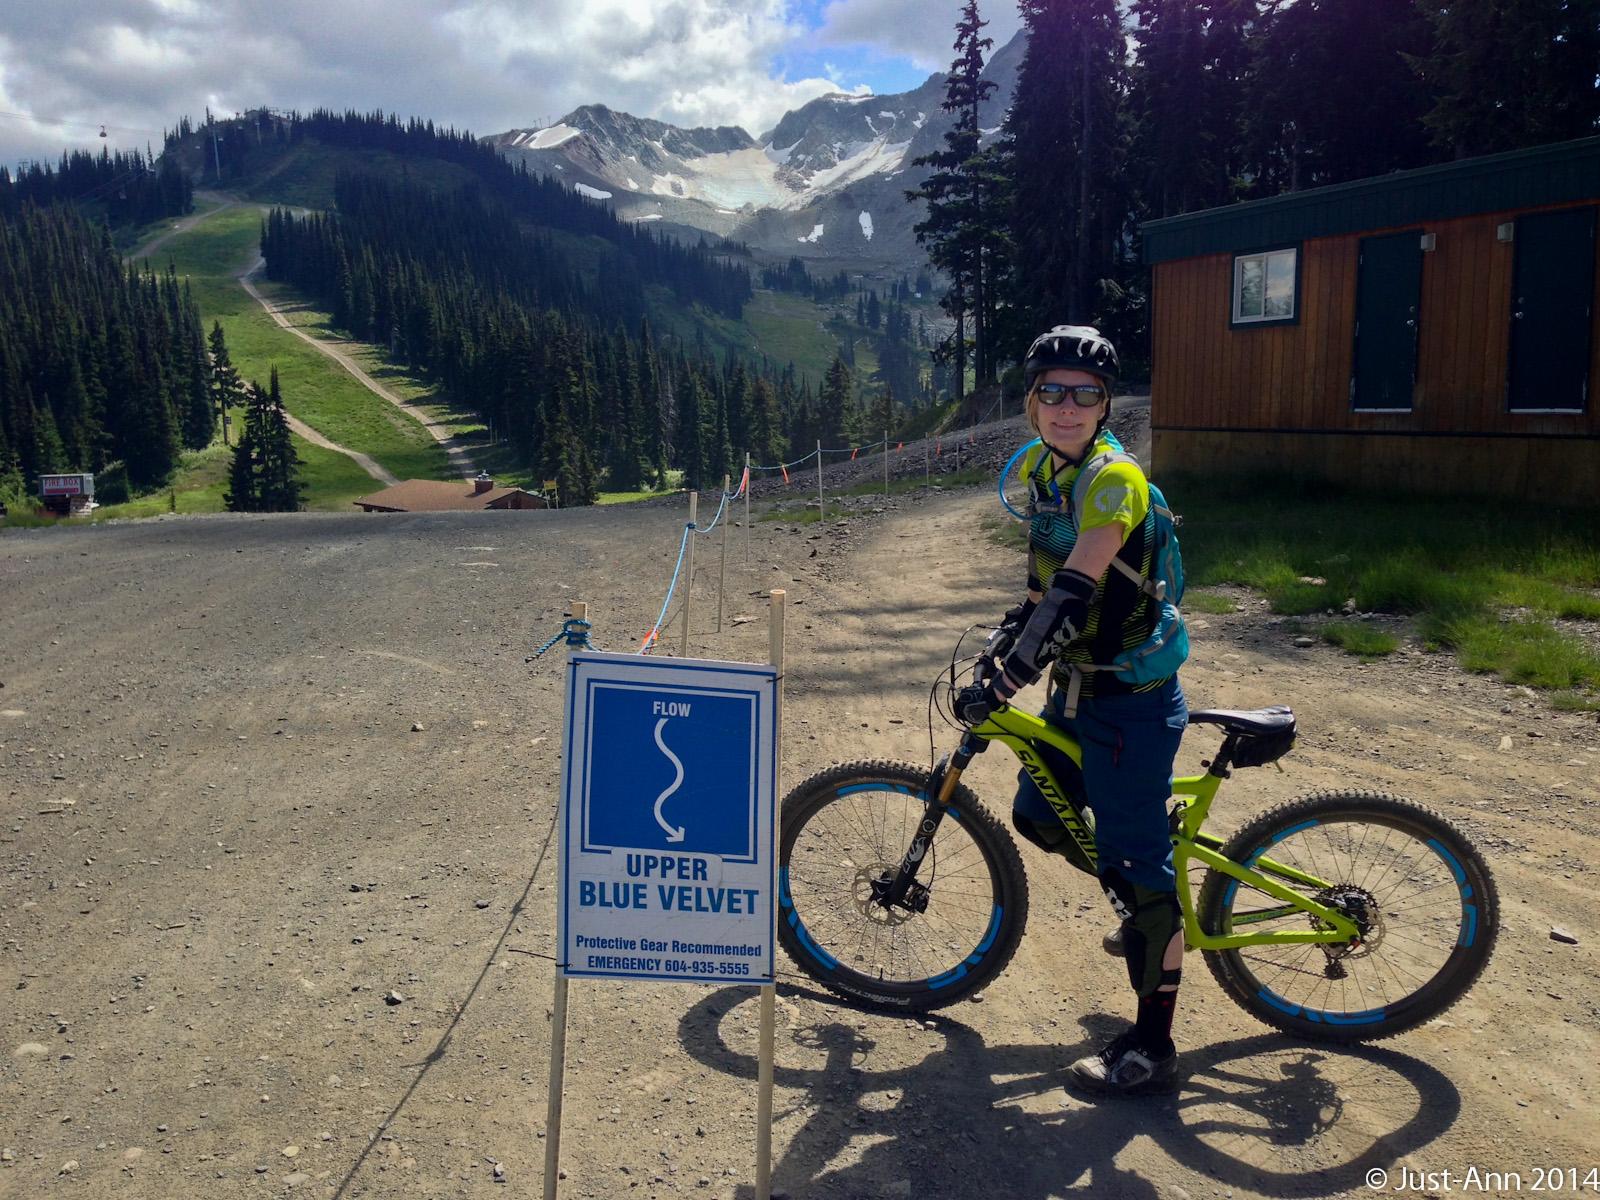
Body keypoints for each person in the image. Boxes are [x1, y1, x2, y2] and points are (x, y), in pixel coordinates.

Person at [961, 324, 1187, 1095]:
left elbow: (1077, 587)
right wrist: (1003, 643)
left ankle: (1153, 1044)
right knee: (1039, 813)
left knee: (1137, 873)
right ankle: (1139, 883)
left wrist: (1009, 678)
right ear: (1030, 403)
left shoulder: (1112, 479)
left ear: (1104, 406)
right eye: (1051, 391)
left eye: (1084, 394)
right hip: (1077, 687)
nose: (1067, 406)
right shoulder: (1044, 471)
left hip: (1130, 701)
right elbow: (1040, 584)